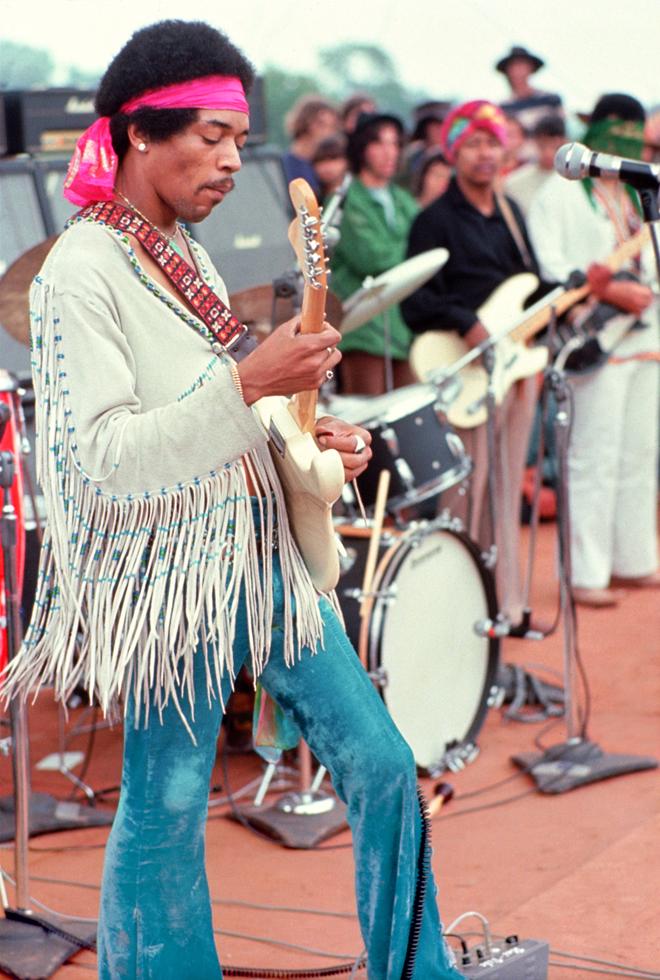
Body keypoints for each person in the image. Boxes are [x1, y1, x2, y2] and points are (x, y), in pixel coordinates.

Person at [0, 20, 461, 980]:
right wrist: (250, 385)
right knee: (165, 802)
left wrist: (307, 433)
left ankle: (418, 970)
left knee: (379, 766)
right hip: (167, 582)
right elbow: (99, 461)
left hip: (262, 562)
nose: (228, 160)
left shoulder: (188, 254)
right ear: (136, 134)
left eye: (236, 139)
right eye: (206, 136)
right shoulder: (77, 272)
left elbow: (216, 409)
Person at [402, 100, 547, 626]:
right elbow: (415, 302)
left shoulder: (511, 213)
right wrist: (465, 319)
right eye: (475, 144)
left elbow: (531, 285)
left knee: (507, 490)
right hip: (462, 372)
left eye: (494, 142)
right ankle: (450, 611)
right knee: (465, 492)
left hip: (512, 370)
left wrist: (577, 288)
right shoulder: (433, 221)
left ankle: (504, 604)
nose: (487, 154)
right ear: (454, 150)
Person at [528, 93, 659, 607]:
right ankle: (586, 573)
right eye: (617, 131)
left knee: (638, 453)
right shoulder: (558, 193)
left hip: (647, 333)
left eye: (635, 134)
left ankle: (633, 560)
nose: (626, 142)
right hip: (594, 337)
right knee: (594, 456)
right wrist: (605, 290)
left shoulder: (636, 190)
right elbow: (550, 267)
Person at [330, 111, 419, 394]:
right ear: (362, 148)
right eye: (379, 143)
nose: (389, 152)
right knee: (368, 423)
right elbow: (371, 257)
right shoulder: (346, 199)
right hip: (364, 331)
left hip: (405, 329)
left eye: (395, 144)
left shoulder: (402, 198)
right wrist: (413, 251)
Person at [496, 45, 563, 160]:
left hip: (549, 161)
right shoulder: (503, 107)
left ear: (531, 68)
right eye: (513, 66)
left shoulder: (550, 100)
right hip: (517, 163)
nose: (518, 71)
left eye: (522, 65)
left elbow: (561, 133)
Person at [504, 114, 567, 216]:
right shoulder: (513, 183)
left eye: (554, 147)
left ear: (565, 143)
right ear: (535, 142)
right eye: (543, 146)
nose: (548, 153)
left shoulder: (575, 181)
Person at [281, 94, 340, 196]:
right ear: (305, 123)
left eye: (332, 127)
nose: (328, 133)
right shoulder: (283, 166)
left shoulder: (324, 168)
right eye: (322, 125)